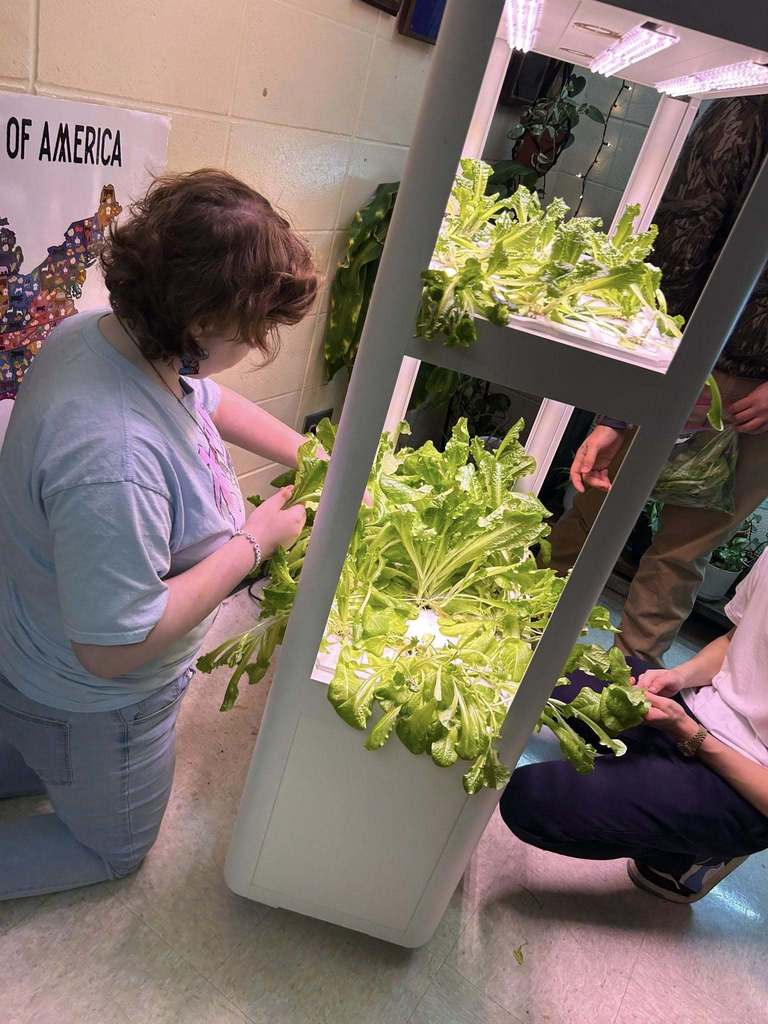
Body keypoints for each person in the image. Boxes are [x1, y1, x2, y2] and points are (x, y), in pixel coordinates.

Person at [0, 169, 317, 900]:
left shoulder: (101, 336)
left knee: (33, 745)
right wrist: (256, 540)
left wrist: (308, 454)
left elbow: (203, 395)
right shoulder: (113, 459)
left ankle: (40, 749)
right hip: (90, 697)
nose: (259, 342)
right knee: (116, 851)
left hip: (29, 646)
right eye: (255, 329)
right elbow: (111, 648)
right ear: (202, 324)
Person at [548, 96, 768, 666]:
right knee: (612, 519)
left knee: (641, 535)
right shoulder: (747, 113)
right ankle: (519, 640)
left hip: (720, 379)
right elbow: (677, 252)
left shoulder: (746, 111)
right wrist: (637, 393)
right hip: (691, 364)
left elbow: (676, 252)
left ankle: (610, 691)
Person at [501, 549, 768, 903]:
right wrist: (677, 676)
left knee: (529, 800)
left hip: (747, 780)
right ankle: (648, 783)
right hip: (697, 707)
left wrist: (691, 735)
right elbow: (735, 640)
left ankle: (684, 856)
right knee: (552, 671)